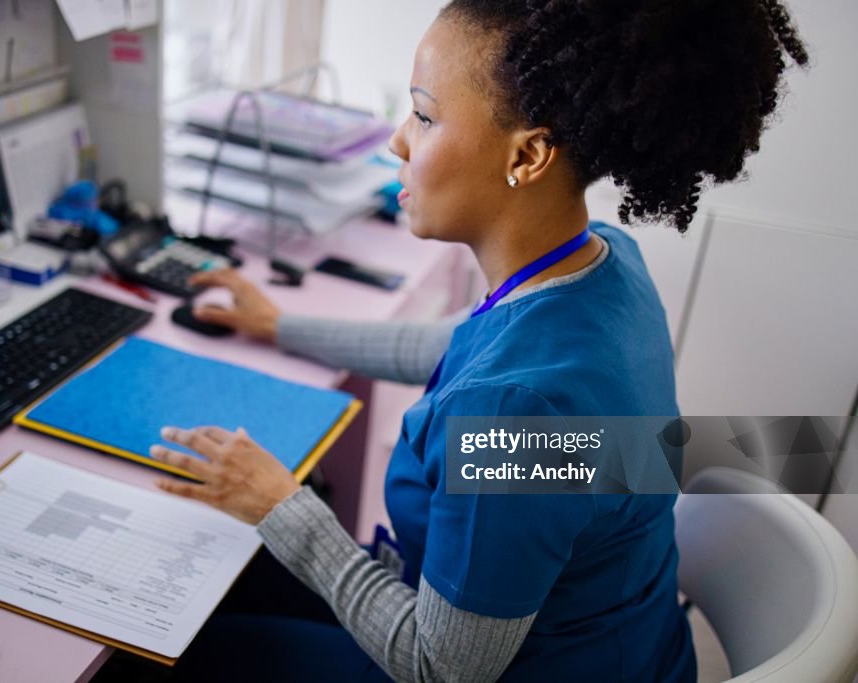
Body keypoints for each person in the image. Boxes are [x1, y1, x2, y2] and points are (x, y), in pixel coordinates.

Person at [148, 1, 808, 680]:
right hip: (625, 643)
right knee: (223, 574)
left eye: (425, 117)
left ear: (526, 155)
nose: (397, 141)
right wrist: (280, 326)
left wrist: (283, 504)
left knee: (181, 645)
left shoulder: (514, 415)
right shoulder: (604, 264)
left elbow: (439, 666)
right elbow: (458, 345)